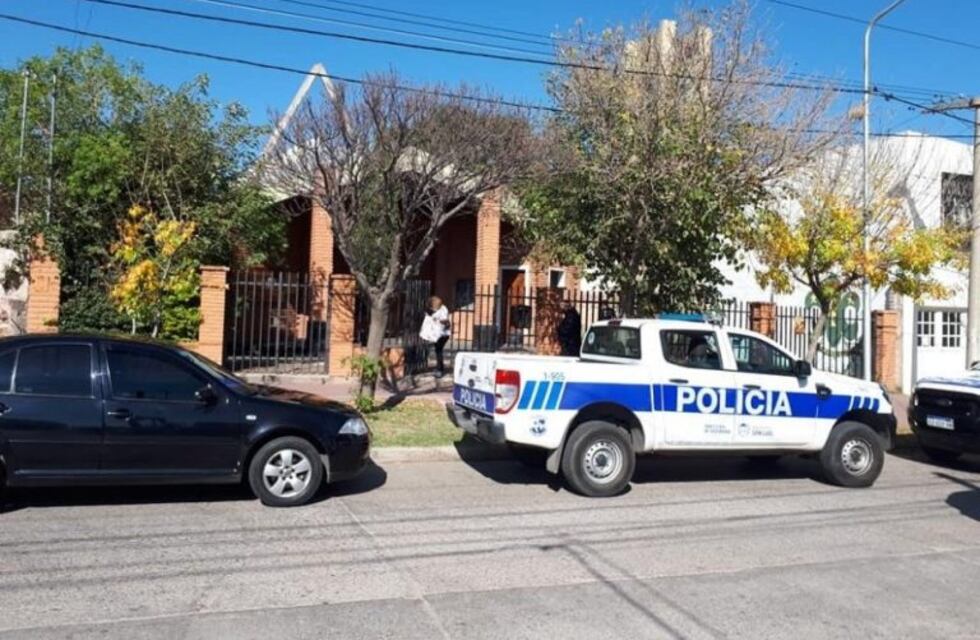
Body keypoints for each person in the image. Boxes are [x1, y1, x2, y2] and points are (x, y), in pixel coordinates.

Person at [419, 296, 451, 377]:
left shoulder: (441, 311)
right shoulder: (443, 308)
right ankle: (440, 368)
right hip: (443, 334)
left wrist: (436, 320)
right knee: (438, 350)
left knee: (438, 351)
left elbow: (445, 321)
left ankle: (440, 370)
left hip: (442, 335)